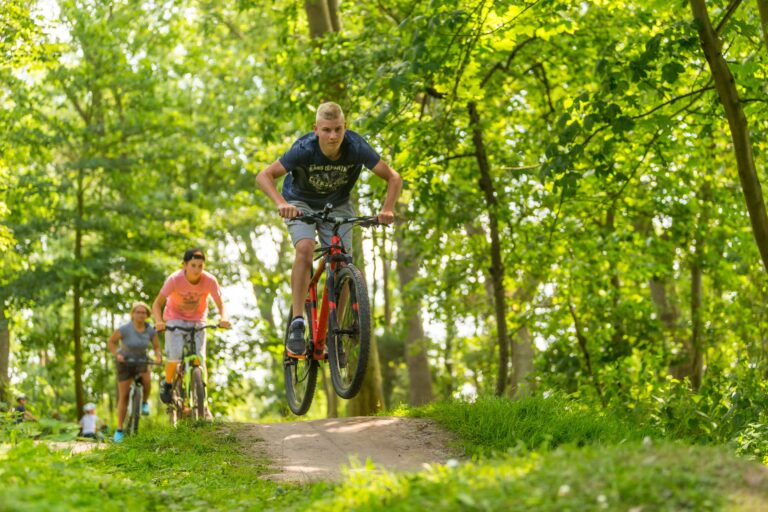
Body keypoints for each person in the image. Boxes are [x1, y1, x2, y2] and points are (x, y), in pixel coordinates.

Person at [256, 101, 402, 357]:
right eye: (326, 130)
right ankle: (298, 323)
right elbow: (263, 176)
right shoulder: (304, 149)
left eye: (338, 129)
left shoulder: (356, 147)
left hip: (338, 205)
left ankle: (337, 330)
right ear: (316, 129)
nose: (333, 136)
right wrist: (281, 204)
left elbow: (393, 177)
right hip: (300, 203)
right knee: (304, 248)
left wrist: (387, 209)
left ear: (345, 127)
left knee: (342, 262)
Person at [152, 248, 230, 405]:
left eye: (200, 266)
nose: (197, 270)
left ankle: (203, 403)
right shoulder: (174, 279)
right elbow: (157, 303)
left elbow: (221, 304)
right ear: (185, 265)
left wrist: (224, 318)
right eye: (193, 265)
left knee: (200, 359)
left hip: (198, 320)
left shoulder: (209, 280)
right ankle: (167, 383)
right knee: (174, 355)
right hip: (175, 319)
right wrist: (159, 321)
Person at [107, 301, 162, 443]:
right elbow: (111, 342)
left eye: (143, 312)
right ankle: (119, 429)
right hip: (125, 362)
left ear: (147, 315)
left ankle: (143, 402)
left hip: (141, 361)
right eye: (138, 312)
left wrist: (158, 357)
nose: (141, 314)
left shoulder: (150, 330)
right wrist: (117, 354)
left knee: (147, 380)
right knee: (123, 396)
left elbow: (156, 347)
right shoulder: (125, 329)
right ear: (132, 314)